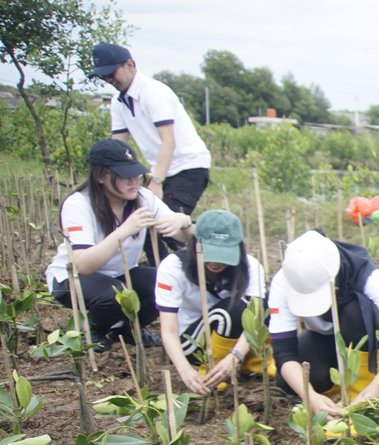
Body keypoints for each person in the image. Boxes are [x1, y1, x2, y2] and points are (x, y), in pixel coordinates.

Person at [45, 138, 192, 349]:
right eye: (125, 176)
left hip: (119, 273)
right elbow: (83, 265)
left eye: (136, 174)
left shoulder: (143, 197)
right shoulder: (78, 204)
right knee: (115, 294)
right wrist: (123, 231)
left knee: (163, 283)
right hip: (72, 278)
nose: (134, 181)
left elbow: (186, 236)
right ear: (100, 176)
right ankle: (95, 330)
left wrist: (183, 221)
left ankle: (127, 330)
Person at [267, 230, 379, 417]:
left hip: (369, 338)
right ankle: (336, 392)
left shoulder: (365, 274)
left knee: (354, 312)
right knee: (291, 380)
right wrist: (311, 397)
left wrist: (374, 389)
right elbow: (283, 350)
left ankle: (360, 391)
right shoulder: (285, 280)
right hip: (325, 337)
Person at [154, 210, 268, 395]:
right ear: (195, 243)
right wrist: (184, 370)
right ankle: (212, 371)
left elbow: (256, 320)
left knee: (261, 308)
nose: (215, 262)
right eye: (210, 252)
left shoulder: (251, 266)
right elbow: (168, 330)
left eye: (224, 254)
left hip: (236, 342)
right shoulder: (173, 267)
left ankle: (250, 365)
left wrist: (235, 356)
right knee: (230, 311)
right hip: (191, 342)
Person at [91, 43, 211, 216]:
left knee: (166, 226)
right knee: (143, 225)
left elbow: (168, 141)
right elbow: (118, 146)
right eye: (103, 76)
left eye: (111, 72)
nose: (108, 79)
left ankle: (201, 240)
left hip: (187, 167)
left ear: (130, 65)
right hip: (160, 169)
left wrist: (156, 181)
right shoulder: (118, 101)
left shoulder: (153, 92)